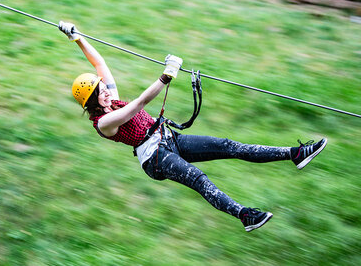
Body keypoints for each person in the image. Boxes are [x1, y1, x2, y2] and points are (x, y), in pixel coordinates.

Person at [59, 21, 328, 232]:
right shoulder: (104, 122)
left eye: (102, 85)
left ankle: (295, 155)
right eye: (100, 89)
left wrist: (77, 37)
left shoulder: (111, 100)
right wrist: (166, 76)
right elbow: (140, 103)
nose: (105, 87)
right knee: (199, 179)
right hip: (154, 158)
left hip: (168, 138)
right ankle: (244, 215)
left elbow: (100, 63)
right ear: (93, 100)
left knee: (228, 146)